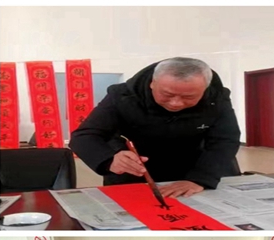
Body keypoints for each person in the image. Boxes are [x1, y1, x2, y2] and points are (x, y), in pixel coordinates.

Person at [70, 57, 241, 197]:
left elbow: (225, 140)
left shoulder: (217, 98)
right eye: (167, 94)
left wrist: (201, 179)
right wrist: (109, 159)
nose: (176, 103)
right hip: (135, 170)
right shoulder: (123, 96)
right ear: (152, 83)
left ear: (205, 89)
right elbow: (84, 136)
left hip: (194, 169)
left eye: (189, 97)